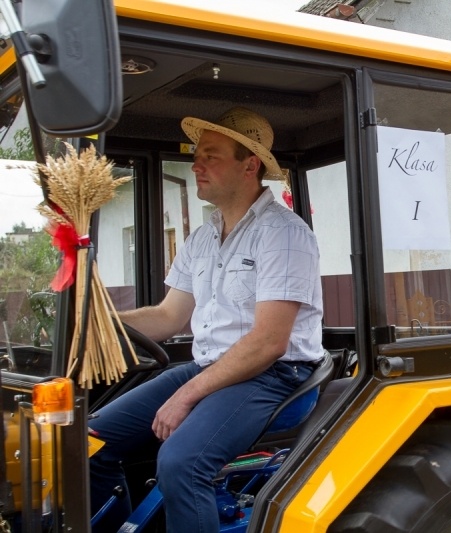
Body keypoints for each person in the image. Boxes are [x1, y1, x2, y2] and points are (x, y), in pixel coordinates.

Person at [89, 107, 324, 532]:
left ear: (249, 165)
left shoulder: (284, 234)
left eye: (211, 156)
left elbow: (269, 342)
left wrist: (183, 397)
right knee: (89, 442)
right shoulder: (203, 236)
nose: (196, 164)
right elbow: (167, 315)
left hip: (272, 375)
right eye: (197, 155)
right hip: (211, 367)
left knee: (181, 462)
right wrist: (99, 325)